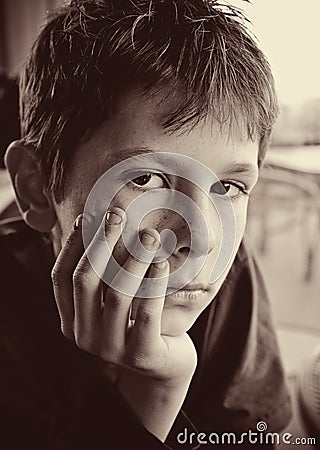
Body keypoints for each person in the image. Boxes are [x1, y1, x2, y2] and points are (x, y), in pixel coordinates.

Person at [0, 0, 291, 448]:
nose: (201, 240)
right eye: (146, 178)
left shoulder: (223, 270)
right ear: (37, 188)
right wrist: (155, 390)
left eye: (229, 186)